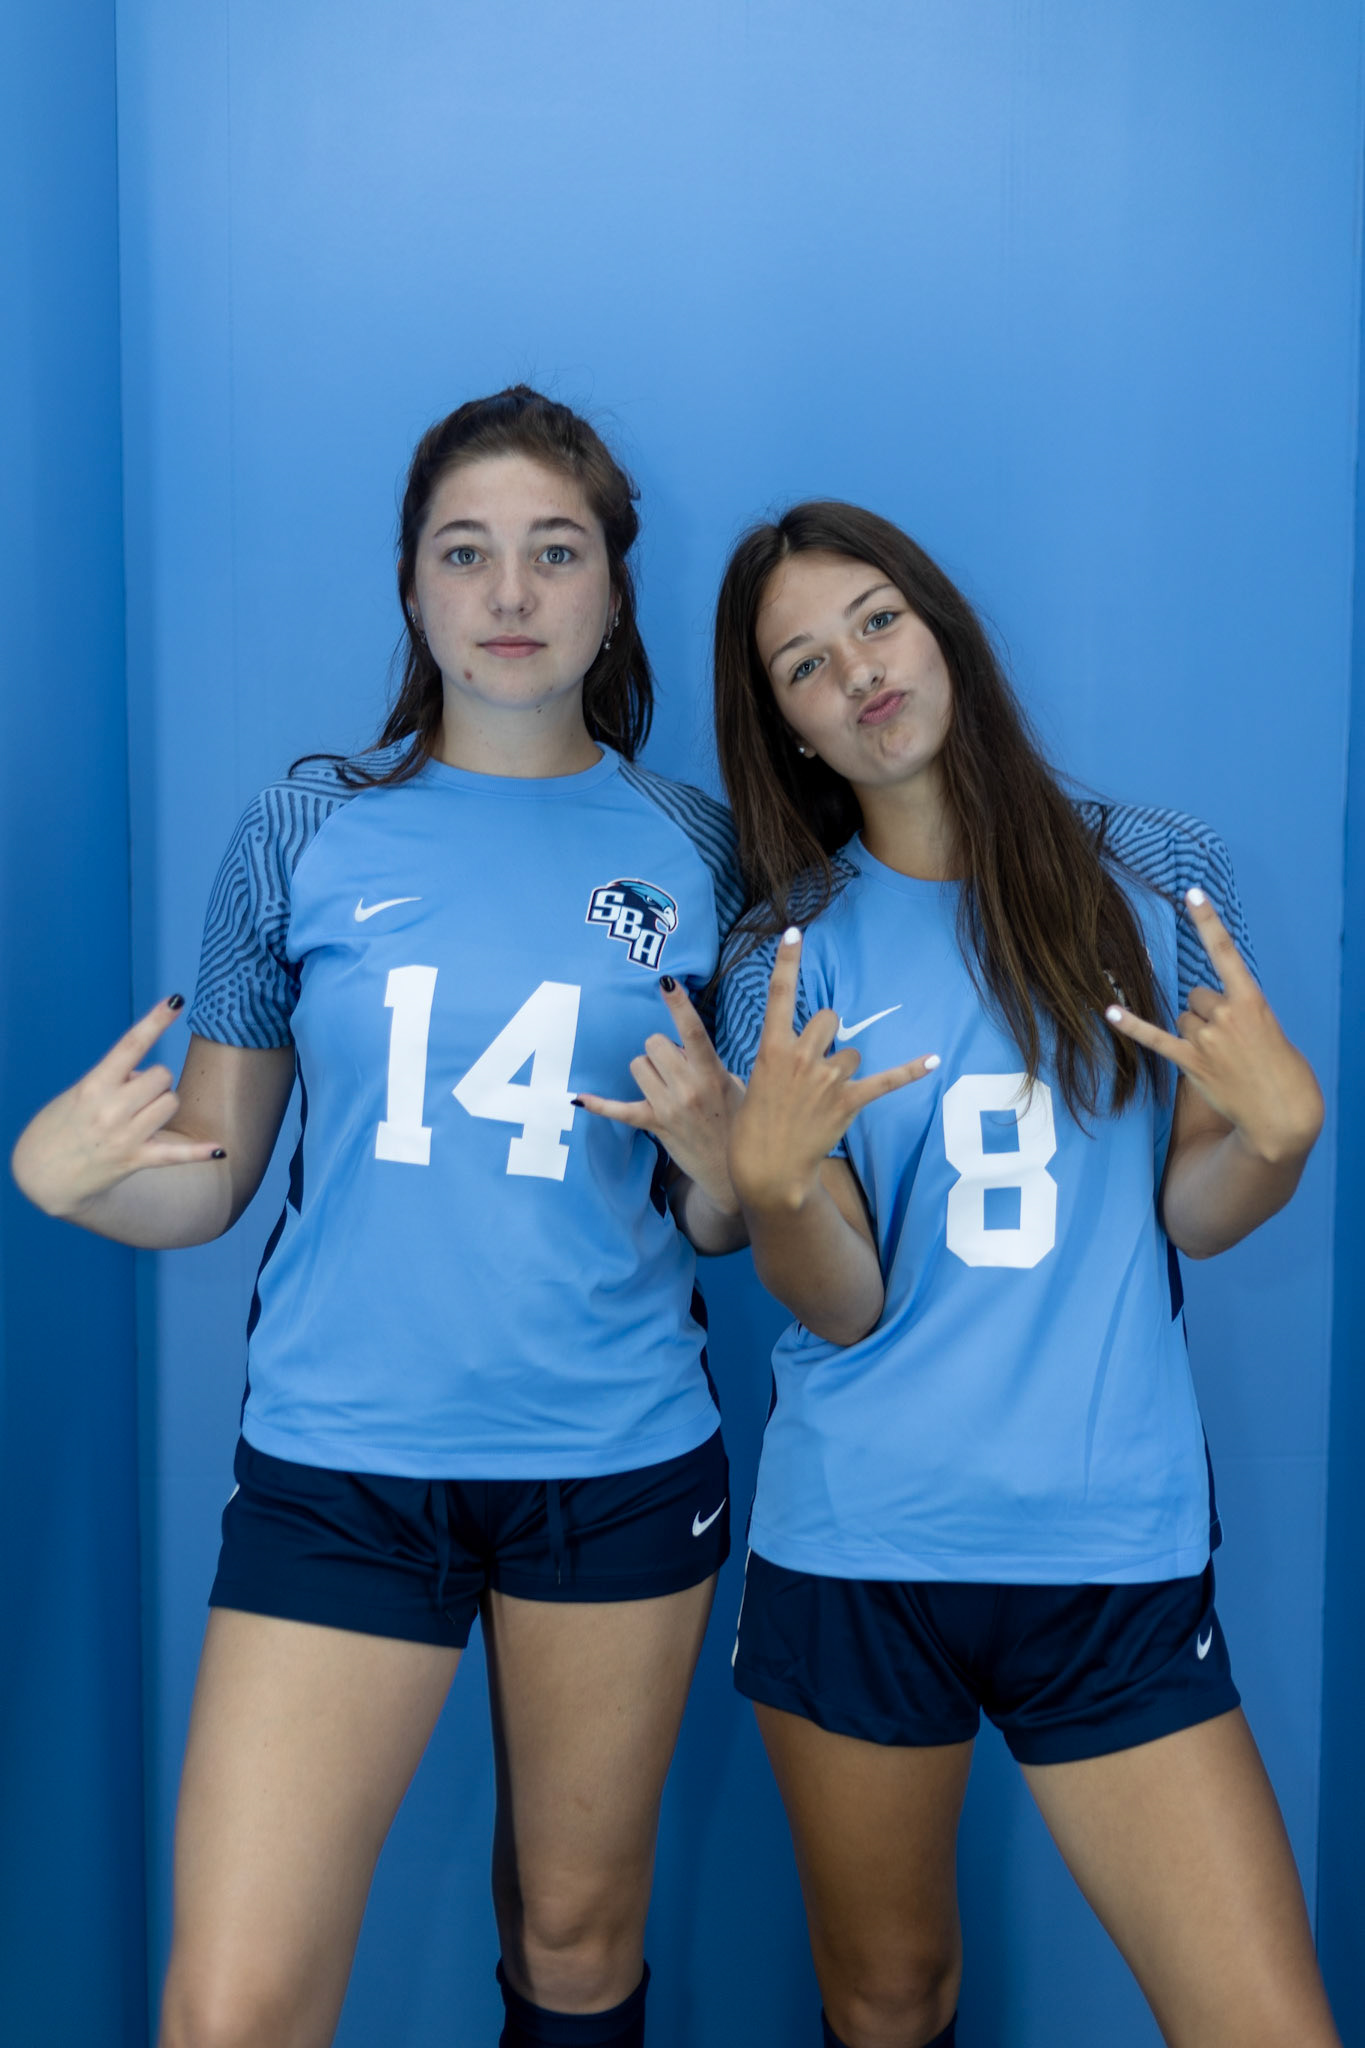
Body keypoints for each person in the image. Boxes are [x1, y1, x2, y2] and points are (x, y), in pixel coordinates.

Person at [11, 387, 748, 2048]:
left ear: (614, 588)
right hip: (341, 1466)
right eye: (464, 553)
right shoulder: (301, 831)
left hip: (616, 1464)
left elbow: (720, 1224)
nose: (510, 592)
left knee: (574, 1944)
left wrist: (724, 1162)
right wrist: (62, 1183)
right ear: (411, 587)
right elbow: (210, 1175)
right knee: (232, 2008)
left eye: (554, 552)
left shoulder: (702, 851)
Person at [709, 501, 1336, 2048]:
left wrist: (1277, 1142)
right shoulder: (784, 949)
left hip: (1107, 1543)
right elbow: (843, 1300)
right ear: (786, 730)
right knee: (887, 1997)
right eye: (803, 665)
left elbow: (1196, 1211)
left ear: (941, 626)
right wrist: (775, 1190)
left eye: (875, 621)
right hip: (861, 1546)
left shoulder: (1156, 871)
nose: (856, 671)